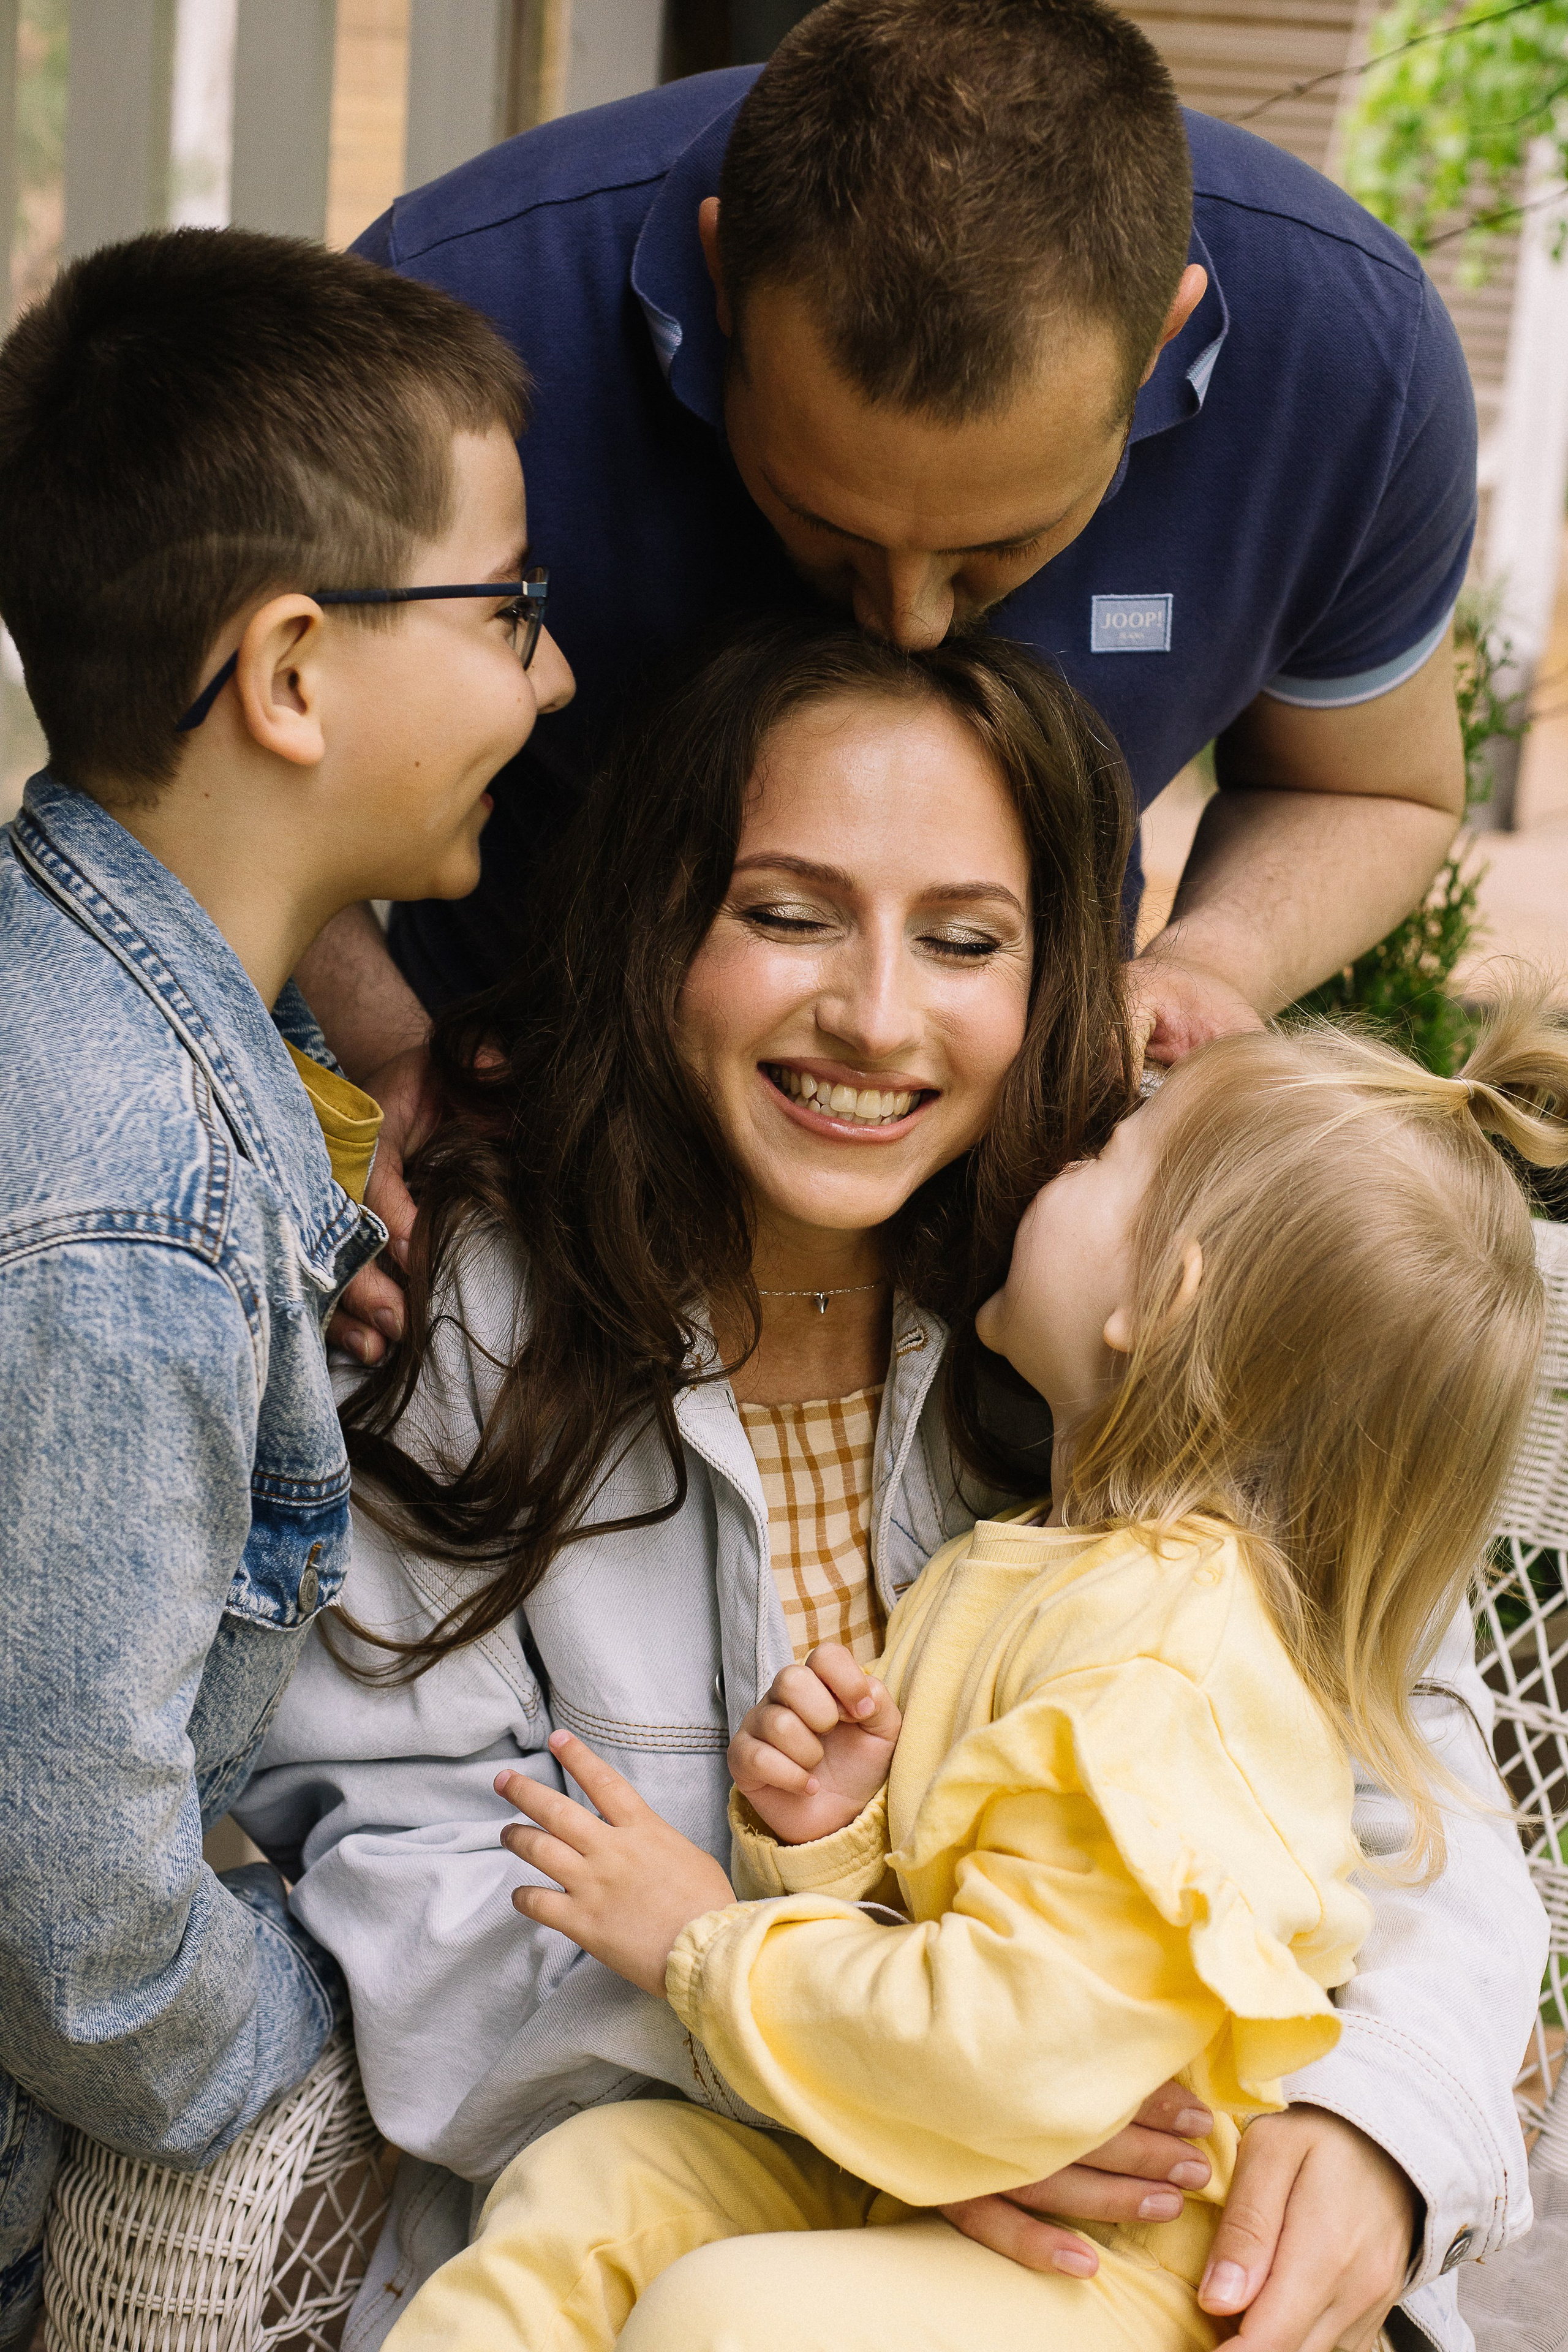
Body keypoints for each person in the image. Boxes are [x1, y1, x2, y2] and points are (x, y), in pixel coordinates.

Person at [238, 624, 1542, 2352]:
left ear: (1051, 969)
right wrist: (888, 2105)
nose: (872, 1012)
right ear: (661, 928)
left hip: (1138, 2259)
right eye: (785, 913)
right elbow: (414, 1876)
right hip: (715, 2177)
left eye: (965, 940)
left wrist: (1386, 2121)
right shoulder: (472, 1310)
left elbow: (1415, 1776)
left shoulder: (1147, 1311)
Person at [377, 982, 1568, 2352]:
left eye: (1110, 1159)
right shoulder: (1044, 1560)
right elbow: (991, 1928)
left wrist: (703, 1943)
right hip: (950, 2169)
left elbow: (1015, 2055)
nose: (1064, 1163)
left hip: (1132, 2268)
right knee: (594, 2187)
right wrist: (838, 1840)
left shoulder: (1166, 1674)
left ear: (1155, 1302)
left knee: (724, 2318)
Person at [304, 0, 1476, 1382]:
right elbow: (213, 763)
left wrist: (1209, 964)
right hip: (498, 1194)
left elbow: (1370, 785)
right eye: (825, 524)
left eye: (996, 551)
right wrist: (393, 1059)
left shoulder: (1356, 368)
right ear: (721, 278)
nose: (906, 623)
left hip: (1002, 1249)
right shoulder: (441, 316)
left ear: (1163, 335)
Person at [0, 227, 573, 2346]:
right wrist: (324, 2029)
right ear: (298, 673)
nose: (556, 678)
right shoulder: (125, 1209)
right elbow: (78, 1926)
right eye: (512, 607)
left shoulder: (124, 1070)